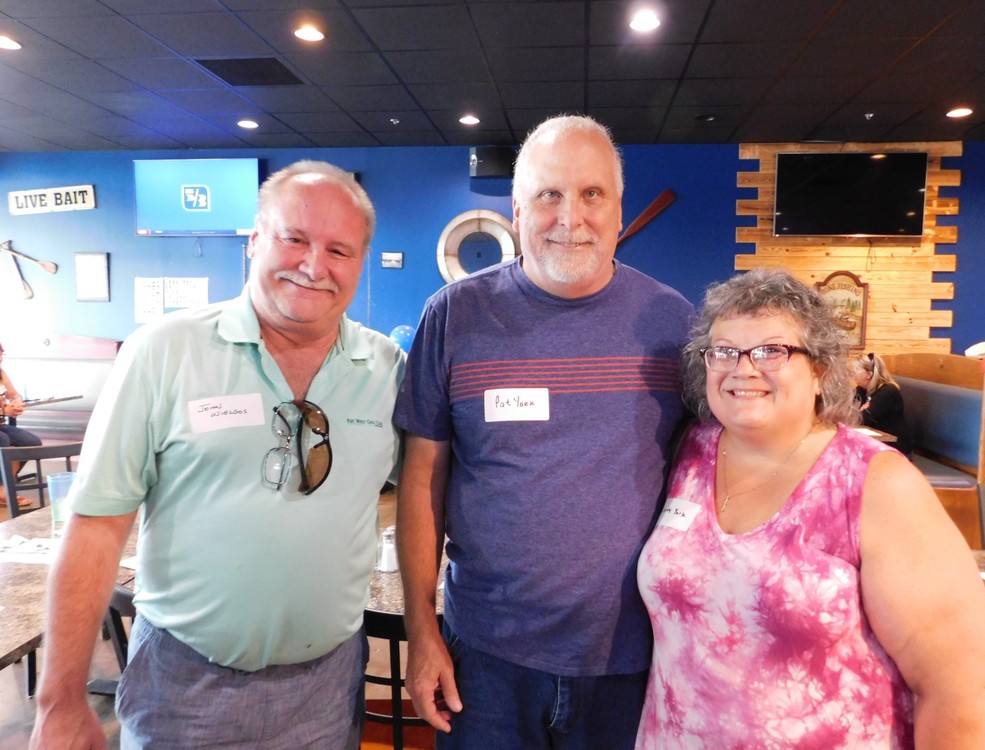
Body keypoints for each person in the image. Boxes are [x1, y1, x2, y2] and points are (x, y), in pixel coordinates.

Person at [29, 160, 406, 750]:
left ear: (361, 261)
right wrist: (60, 699)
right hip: (184, 692)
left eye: (339, 250)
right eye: (294, 239)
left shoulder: (386, 370)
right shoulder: (164, 352)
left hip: (329, 690)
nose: (314, 266)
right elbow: (96, 527)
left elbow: (435, 491)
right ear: (254, 240)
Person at [393, 114, 695, 749]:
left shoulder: (673, 323)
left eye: (592, 194)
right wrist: (421, 628)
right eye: (548, 194)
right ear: (516, 209)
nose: (570, 216)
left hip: (633, 661)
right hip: (486, 658)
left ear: (618, 211)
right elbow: (422, 479)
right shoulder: (453, 315)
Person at [635, 267, 985, 748]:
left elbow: (954, 685)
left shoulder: (874, 481)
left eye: (772, 350)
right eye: (724, 351)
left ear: (820, 371)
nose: (743, 368)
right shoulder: (689, 451)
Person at [0, 341, 43, 509]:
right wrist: (4, 411)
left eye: (2, 355)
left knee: (31, 443)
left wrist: (17, 401)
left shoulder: (1, 373)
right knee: (3, 440)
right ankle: (3, 489)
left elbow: (14, 394)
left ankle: (7, 483)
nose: (1, 359)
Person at [854, 351, 912, 455]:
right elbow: (845, 409)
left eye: (857, 369)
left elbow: (862, 419)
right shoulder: (861, 389)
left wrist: (860, 413)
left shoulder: (888, 392)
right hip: (875, 443)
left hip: (894, 448)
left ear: (869, 374)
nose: (853, 372)